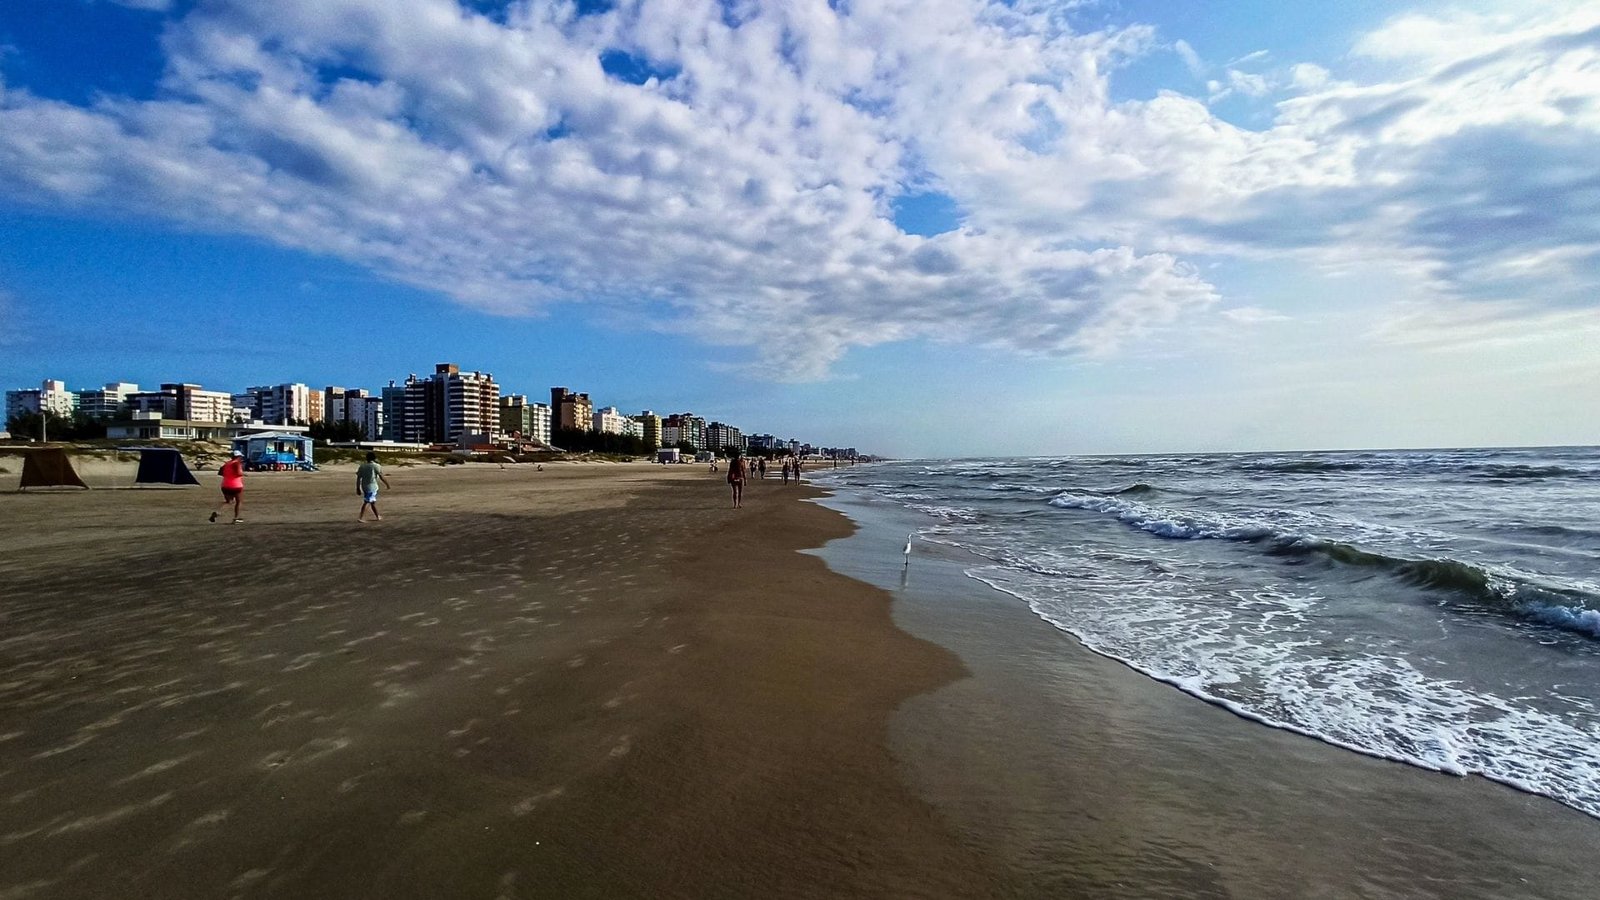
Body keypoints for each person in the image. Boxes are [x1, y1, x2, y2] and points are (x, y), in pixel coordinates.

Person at [210, 450, 245, 523]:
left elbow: (220, 472)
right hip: (236, 485)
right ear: (238, 457)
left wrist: (228, 475)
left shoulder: (227, 464)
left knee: (229, 501)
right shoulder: (237, 463)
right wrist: (242, 474)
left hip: (225, 485)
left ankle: (218, 512)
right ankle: (236, 518)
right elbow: (239, 473)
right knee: (238, 502)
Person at [356, 451, 392, 522]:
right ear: (374, 458)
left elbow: (358, 478)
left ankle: (377, 516)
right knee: (368, 502)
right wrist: (387, 484)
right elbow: (381, 476)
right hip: (372, 487)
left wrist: (358, 488)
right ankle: (361, 517)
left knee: (372, 502)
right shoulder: (376, 466)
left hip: (364, 486)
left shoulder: (362, 466)